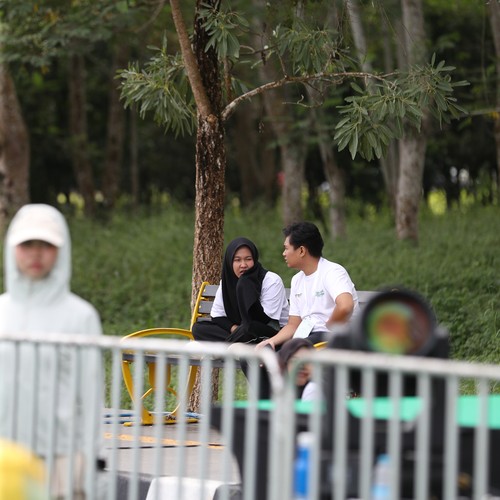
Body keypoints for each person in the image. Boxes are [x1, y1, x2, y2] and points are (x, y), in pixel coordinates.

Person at [0, 204, 106, 499]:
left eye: (46, 245)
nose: (36, 254)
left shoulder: (80, 316)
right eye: (27, 244)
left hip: (60, 458)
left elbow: (91, 396)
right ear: (12, 248)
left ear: (61, 250)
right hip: (4, 457)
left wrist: (93, 461)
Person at [257, 221, 359, 351]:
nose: (284, 253)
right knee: (264, 355)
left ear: (301, 251)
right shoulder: (297, 280)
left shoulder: (332, 272)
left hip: (332, 338)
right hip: (307, 337)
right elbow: (293, 325)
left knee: (290, 352)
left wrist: (329, 326)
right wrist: (271, 341)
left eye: (286, 248)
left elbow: (345, 306)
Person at [192, 237, 289, 344]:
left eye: (248, 259)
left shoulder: (271, 280)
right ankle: (235, 344)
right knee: (199, 328)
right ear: (230, 262)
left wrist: (246, 286)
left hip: (270, 332)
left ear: (255, 259)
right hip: (241, 331)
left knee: (248, 329)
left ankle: (225, 349)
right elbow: (217, 316)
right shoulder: (227, 282)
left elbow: (266, 319)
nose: (243, 265)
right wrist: (235, 330)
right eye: (237, 260)